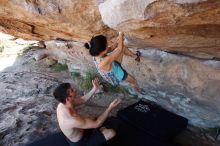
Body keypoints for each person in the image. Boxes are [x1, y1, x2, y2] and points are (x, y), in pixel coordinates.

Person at [53, 78, 121, 146]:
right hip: (81, 142)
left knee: (93, 118)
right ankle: (99, 131)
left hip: (80, 131)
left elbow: (82, 100)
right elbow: (97, 124)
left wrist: (94, 88)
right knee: (111, 133)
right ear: (68, 98)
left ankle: (99, 130)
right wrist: (110, 108)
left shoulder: (64, 103)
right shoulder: (71, 118)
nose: (75, 89)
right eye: (72, 90)